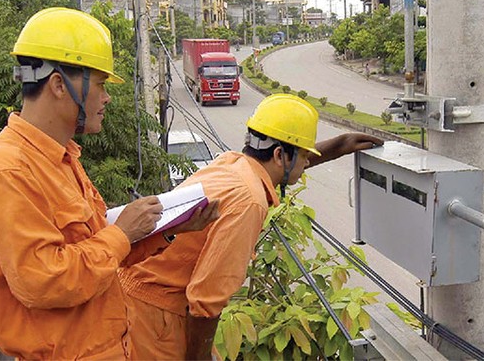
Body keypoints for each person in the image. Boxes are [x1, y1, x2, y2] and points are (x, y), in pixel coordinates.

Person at [0, 7, 219, 360]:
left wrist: (167, 229)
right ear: (59, 85)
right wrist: (122, 233)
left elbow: (98, 254)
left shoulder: (62, 159)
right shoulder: (7, 169)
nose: (106, 98)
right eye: (101, 84)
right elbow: (43, 280)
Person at [118, 93, 384, 360]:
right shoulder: (249, 201)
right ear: (280, 154)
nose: (306, 163)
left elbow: (287, 162)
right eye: (305, 155)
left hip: (142, 299)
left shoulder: (232, 164)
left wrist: (340, 145)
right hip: (153, 317)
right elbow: (206, 302)